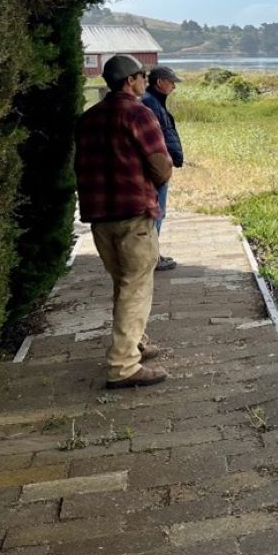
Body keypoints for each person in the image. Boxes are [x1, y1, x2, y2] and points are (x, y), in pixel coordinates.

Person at [75, 54, 172, 389]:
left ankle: (137, 342)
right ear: (130, 80)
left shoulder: (88, 118)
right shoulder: (138, 113)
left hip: (99, 216)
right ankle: (123, 365)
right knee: (136, 286)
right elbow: (160, 165)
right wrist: (156, 184)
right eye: (142, 75)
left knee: (123, 283)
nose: (146, 80)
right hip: (133, 214)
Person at [142, 65, 184, 271]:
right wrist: (163, 163)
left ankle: (153, 254)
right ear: (160, 82)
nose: (174, 86)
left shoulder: (154, 101)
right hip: (156, 167)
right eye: (171, 82)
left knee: (157, 211)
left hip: (158, 165)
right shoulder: (150, 103)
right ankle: (152, 258)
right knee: (156, 211)